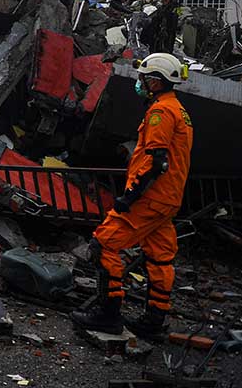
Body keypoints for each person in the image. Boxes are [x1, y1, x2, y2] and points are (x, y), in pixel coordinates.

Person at [71, 52, 193, 336]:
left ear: (155, 82)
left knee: (105, 243)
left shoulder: (160, 113)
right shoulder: (180, 111)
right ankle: (153, 322)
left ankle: (107, 314)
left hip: (150, 198)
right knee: (160, 257)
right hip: (168, 198)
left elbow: (156, 162)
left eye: (144, 78)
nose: (140, 83)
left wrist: (131, 197)